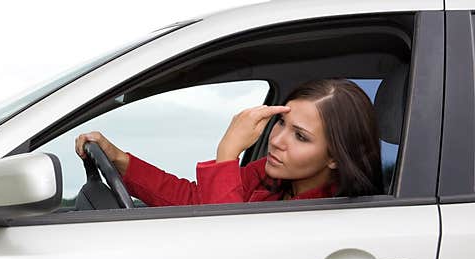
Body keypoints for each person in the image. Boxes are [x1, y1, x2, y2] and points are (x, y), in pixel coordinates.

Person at [74, 78, 384, 207]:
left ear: (334, 156)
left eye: (300, 136)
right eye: (280, 123)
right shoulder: (269, 174)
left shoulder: (329, 214)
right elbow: (198, 202)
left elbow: (225, 242)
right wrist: (119, 160)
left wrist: (228, 154)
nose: (277, 141)